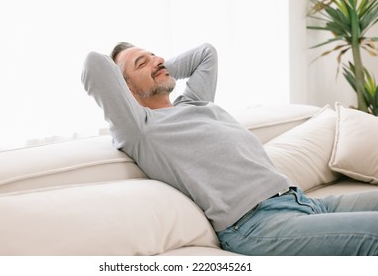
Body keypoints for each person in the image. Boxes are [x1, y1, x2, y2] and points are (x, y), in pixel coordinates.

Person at [81, 42, 378, 255]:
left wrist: (157, 67)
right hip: (259, 225)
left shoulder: (195, 104)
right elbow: (95, 64)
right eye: (140, 63)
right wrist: (136, 74)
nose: (156, 59)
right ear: (126, 90)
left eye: (153, 54)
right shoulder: (141, 128)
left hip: (303, 202)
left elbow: (205, 54)